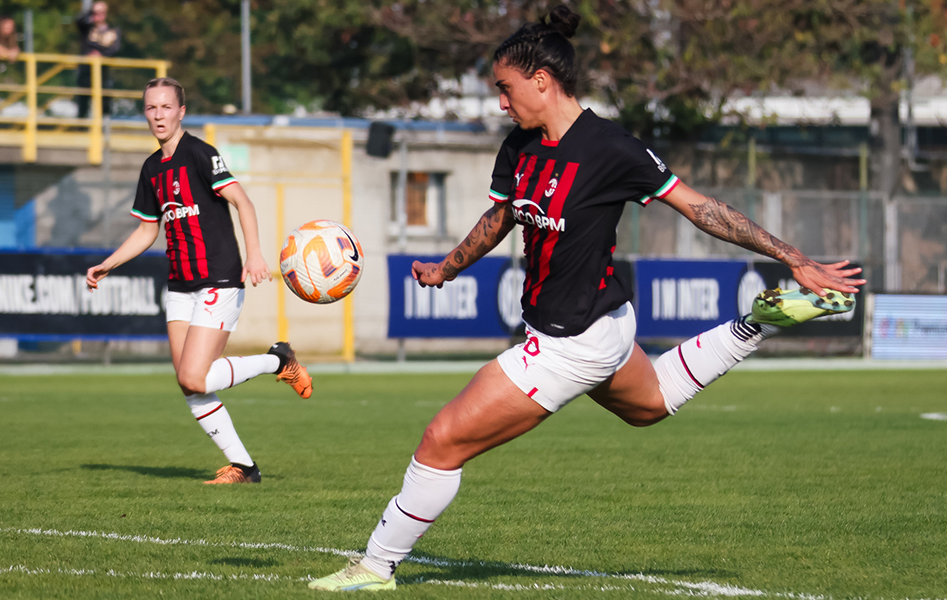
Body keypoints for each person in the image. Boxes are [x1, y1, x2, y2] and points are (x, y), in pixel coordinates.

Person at [308, 6, 865, 591]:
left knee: (441, 441)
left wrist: (795, 258)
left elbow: (704, 210)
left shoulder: (611, 148)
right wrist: (446, 268)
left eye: (506, 88)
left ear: (542, 82)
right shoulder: (519, 146)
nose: (502, 101)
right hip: (602, 325)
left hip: (571, 340)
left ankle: (374, 566)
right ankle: (755, 324)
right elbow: (501, 216)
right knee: (649, 405)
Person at [86, 77, 313, 485]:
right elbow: (146, 231)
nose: (158, 115)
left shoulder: (199, 153)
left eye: (165, 107)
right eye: (151, 108)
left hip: (219, 276)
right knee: (190, 385)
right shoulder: (151, 168)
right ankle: (245, 467)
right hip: (179, 285)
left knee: (194, 376)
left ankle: (278, 361)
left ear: (181, 112)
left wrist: (255, 253)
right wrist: (109, 263)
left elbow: (242, 201)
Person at [75, 1, 119, 119]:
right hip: (85, 71)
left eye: (101, 12)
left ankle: (104, 130)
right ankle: (81, 128)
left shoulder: (112, 30)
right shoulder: (87, 28)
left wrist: (101, 55)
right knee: (83, 101)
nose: (97, 15)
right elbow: (78, 20)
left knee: (104, 102)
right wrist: (90, 11)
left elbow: (115, 49)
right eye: (95, 13)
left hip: (102, 71)